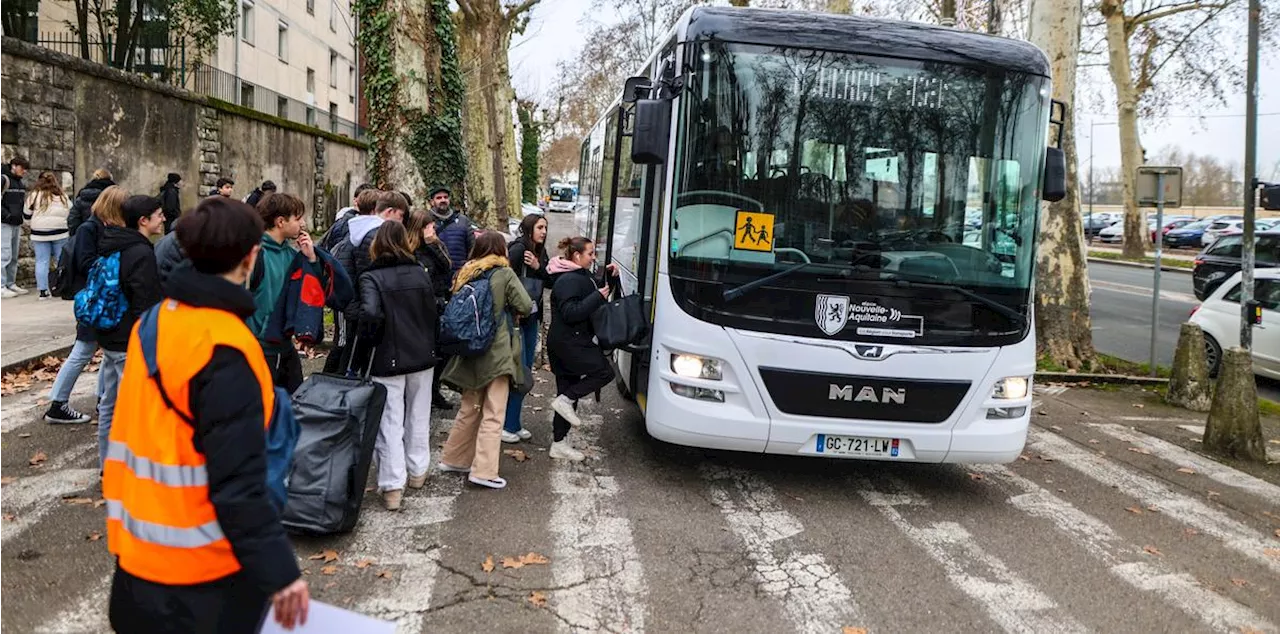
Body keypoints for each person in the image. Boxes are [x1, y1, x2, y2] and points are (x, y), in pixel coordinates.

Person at [103, 196, 309, 634]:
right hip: (201, 582)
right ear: (251, 256)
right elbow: (239, 483)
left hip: (136, 564)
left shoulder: (155, 322)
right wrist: (280, 574)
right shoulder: (226, 347)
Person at [438, 231, 533, 489]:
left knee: (469, 407)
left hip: (470, 348)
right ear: (500, 248)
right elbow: (525, 305)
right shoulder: (504, 273)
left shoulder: (466, 272)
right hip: (497, 350)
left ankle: (454, 458)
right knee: (494, 411)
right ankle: (484, 470)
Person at [355, 222, 439, 510]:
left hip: (387, 355)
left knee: (389, 421)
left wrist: (367, 345)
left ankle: (393, 485)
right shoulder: (420, 273)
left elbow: (370, 314)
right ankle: (418, 471)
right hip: (422, 352)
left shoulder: (371, 277)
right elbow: (433, 310)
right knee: (418, 414)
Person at [42, 184, 127, 425]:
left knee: (103, 353)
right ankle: (58, 403)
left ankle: (101, 399)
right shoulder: (90, 229)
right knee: (83, 351)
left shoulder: (96, 226)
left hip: (95, 298)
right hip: (93, 299)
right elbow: (87, 262)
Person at [92, 191, 165, 468]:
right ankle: (130, 467)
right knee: (134, 406)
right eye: (158, 216)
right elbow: (145, 304)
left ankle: (107, 464)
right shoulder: (141, 252)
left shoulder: (112, 243)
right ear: (144, 220)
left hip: (109, 334)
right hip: (129, 340)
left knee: (110, 403)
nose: (163, 220)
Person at [545, 236, 621, 462]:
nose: (593, 257)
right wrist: (597, 296)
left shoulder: (579, 275)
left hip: (568, 341)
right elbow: (571, 312)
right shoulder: (567, 279)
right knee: (604, 372)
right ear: (577, 256)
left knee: (568, 389)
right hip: (569, 343)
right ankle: (566, 402)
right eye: (590, 254)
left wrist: (610, 279)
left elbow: (595, 291)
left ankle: (559, 443)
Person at [247, 192, 321, 392]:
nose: (303, 224)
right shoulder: (255, 254)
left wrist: (311, 259)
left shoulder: (293, 254)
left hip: (285, 346)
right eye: (297, 218)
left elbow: (309, 292)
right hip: (259, 347)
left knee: (294, 406)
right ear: (280, 221)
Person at [501, 213, 549, 443]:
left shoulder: (539, 251)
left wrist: (539, 266)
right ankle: (507, 424)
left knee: (525, 370)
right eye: (540, 227)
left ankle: (514, 422)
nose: (544, 232)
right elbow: (506, 279)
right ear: (529, 228)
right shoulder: (519, 249)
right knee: (518, 371)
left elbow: (549, 280)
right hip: (518, 319)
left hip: (531, 318)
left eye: (545, 228)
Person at [405, 210, 454, 409]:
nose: (433, 230)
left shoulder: (435, 246)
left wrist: (433, 244)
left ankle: (434, 389)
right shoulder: (410, 250)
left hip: (438, 303)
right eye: (429, 226)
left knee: (441, 351)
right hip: (419, 307)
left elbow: (446, 266)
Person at [24, 171, 73, 300]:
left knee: (41, 261)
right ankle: (61, 286)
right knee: (61, 260)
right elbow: (70, 211)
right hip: (60, 232)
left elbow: (26, 215)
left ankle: (43, 291)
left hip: (39, 233)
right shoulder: (62, 196)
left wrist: (33, 224)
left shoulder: (33, 196)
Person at [0, 155, 30, 298]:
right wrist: (6, 215)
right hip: (4, 223)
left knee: (13, 256)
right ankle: (1, 286)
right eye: (22, 168)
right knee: (3, 254)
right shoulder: (3, 180)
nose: (24, 171)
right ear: (14, 166)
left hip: (16, 223)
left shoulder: (20, 184)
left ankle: (10, 283)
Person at [429, 186, 475, 278]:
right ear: (432, 201)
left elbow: (472, 247)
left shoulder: (463, 221)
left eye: (445, 197)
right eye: (439, 198)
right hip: (436, 276)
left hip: (460, 274)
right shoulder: (426, 221)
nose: (443, 200)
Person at [67, 168, 115, 237]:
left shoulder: (83, 195)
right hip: (109, 236)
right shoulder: (114, 195)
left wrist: (76, 236)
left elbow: (73, 219)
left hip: (85, 235)